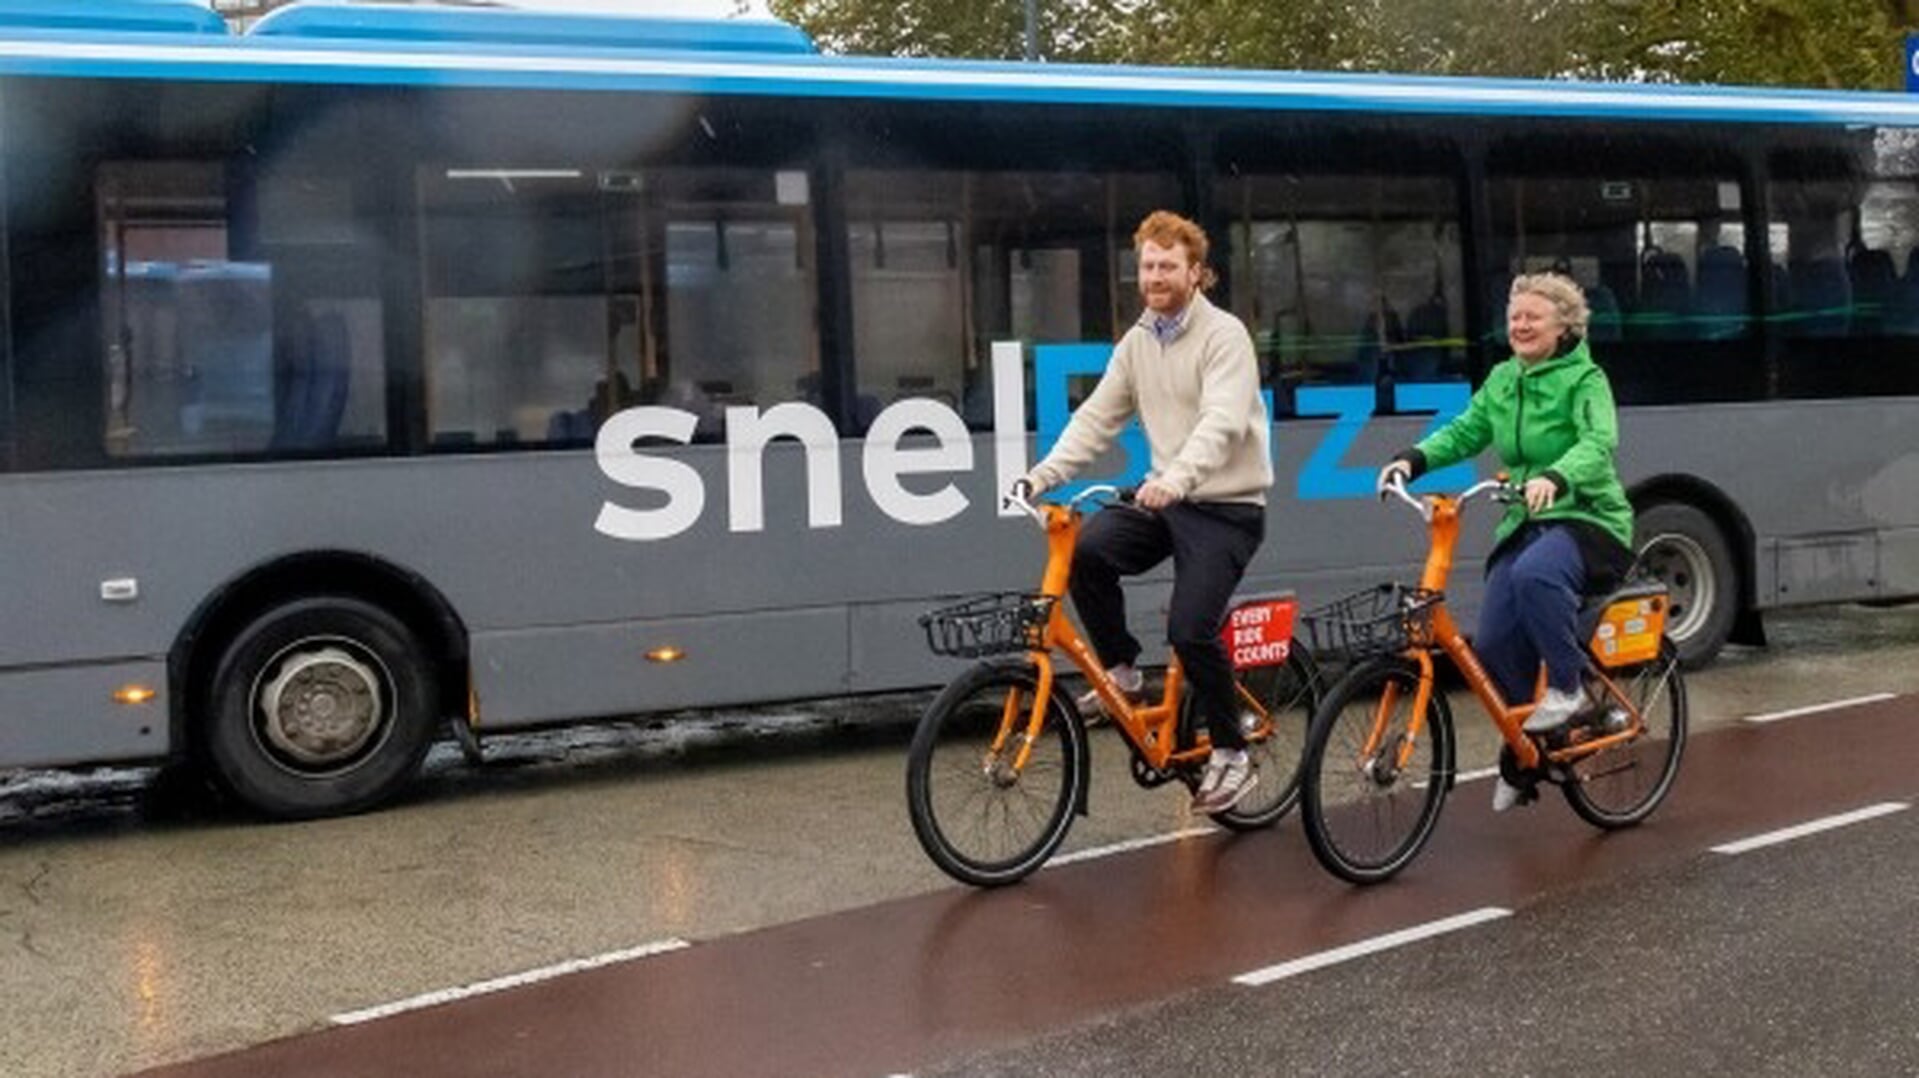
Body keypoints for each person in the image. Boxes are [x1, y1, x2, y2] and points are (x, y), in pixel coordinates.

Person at [1015, 211, 1273, 815]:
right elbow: (1096, 418)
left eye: (1168, 266)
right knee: (1087, 549)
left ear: (1196, 273)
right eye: (1148, 266)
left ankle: (1232, 753)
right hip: (1166, 499)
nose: (1155, 277)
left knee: (1189, 627)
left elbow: (1223, 422)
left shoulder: (1223, 335)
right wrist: (1041, 476)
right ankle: (1122, 671)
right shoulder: (1137, 342)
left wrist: (1178, 478)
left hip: (1226, 508)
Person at [1376, 272, 1635, 812]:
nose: (1518, 325)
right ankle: (1530, 748)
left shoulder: (1586, 379)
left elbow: (1599, 440)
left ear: (1563, 325)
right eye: (1514, 316)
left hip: (1589, 518)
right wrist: (1412, 459)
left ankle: (1568, 689)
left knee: (1534, 575)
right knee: (1490, 641)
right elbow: (1466, 431)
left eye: (1531, 317)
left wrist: (1557, 476)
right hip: (1525, 519)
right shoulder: (1503, 379)